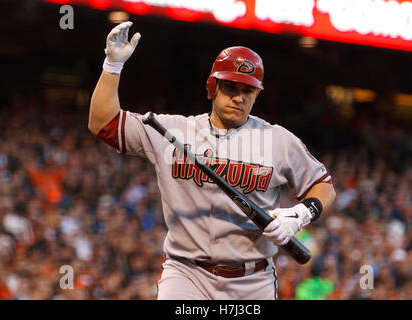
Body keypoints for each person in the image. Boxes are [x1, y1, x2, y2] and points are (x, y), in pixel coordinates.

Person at [88, 21, 336, 300]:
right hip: (186, 274)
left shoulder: (277, 139)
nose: (238, 98)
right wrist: (112, 66)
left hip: (252, 280)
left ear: (257, 95)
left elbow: (323, 185)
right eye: (230, 87)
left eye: (247, 91)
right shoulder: (171, 130)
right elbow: (103, 124)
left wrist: (299, 215)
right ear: (212, 87)